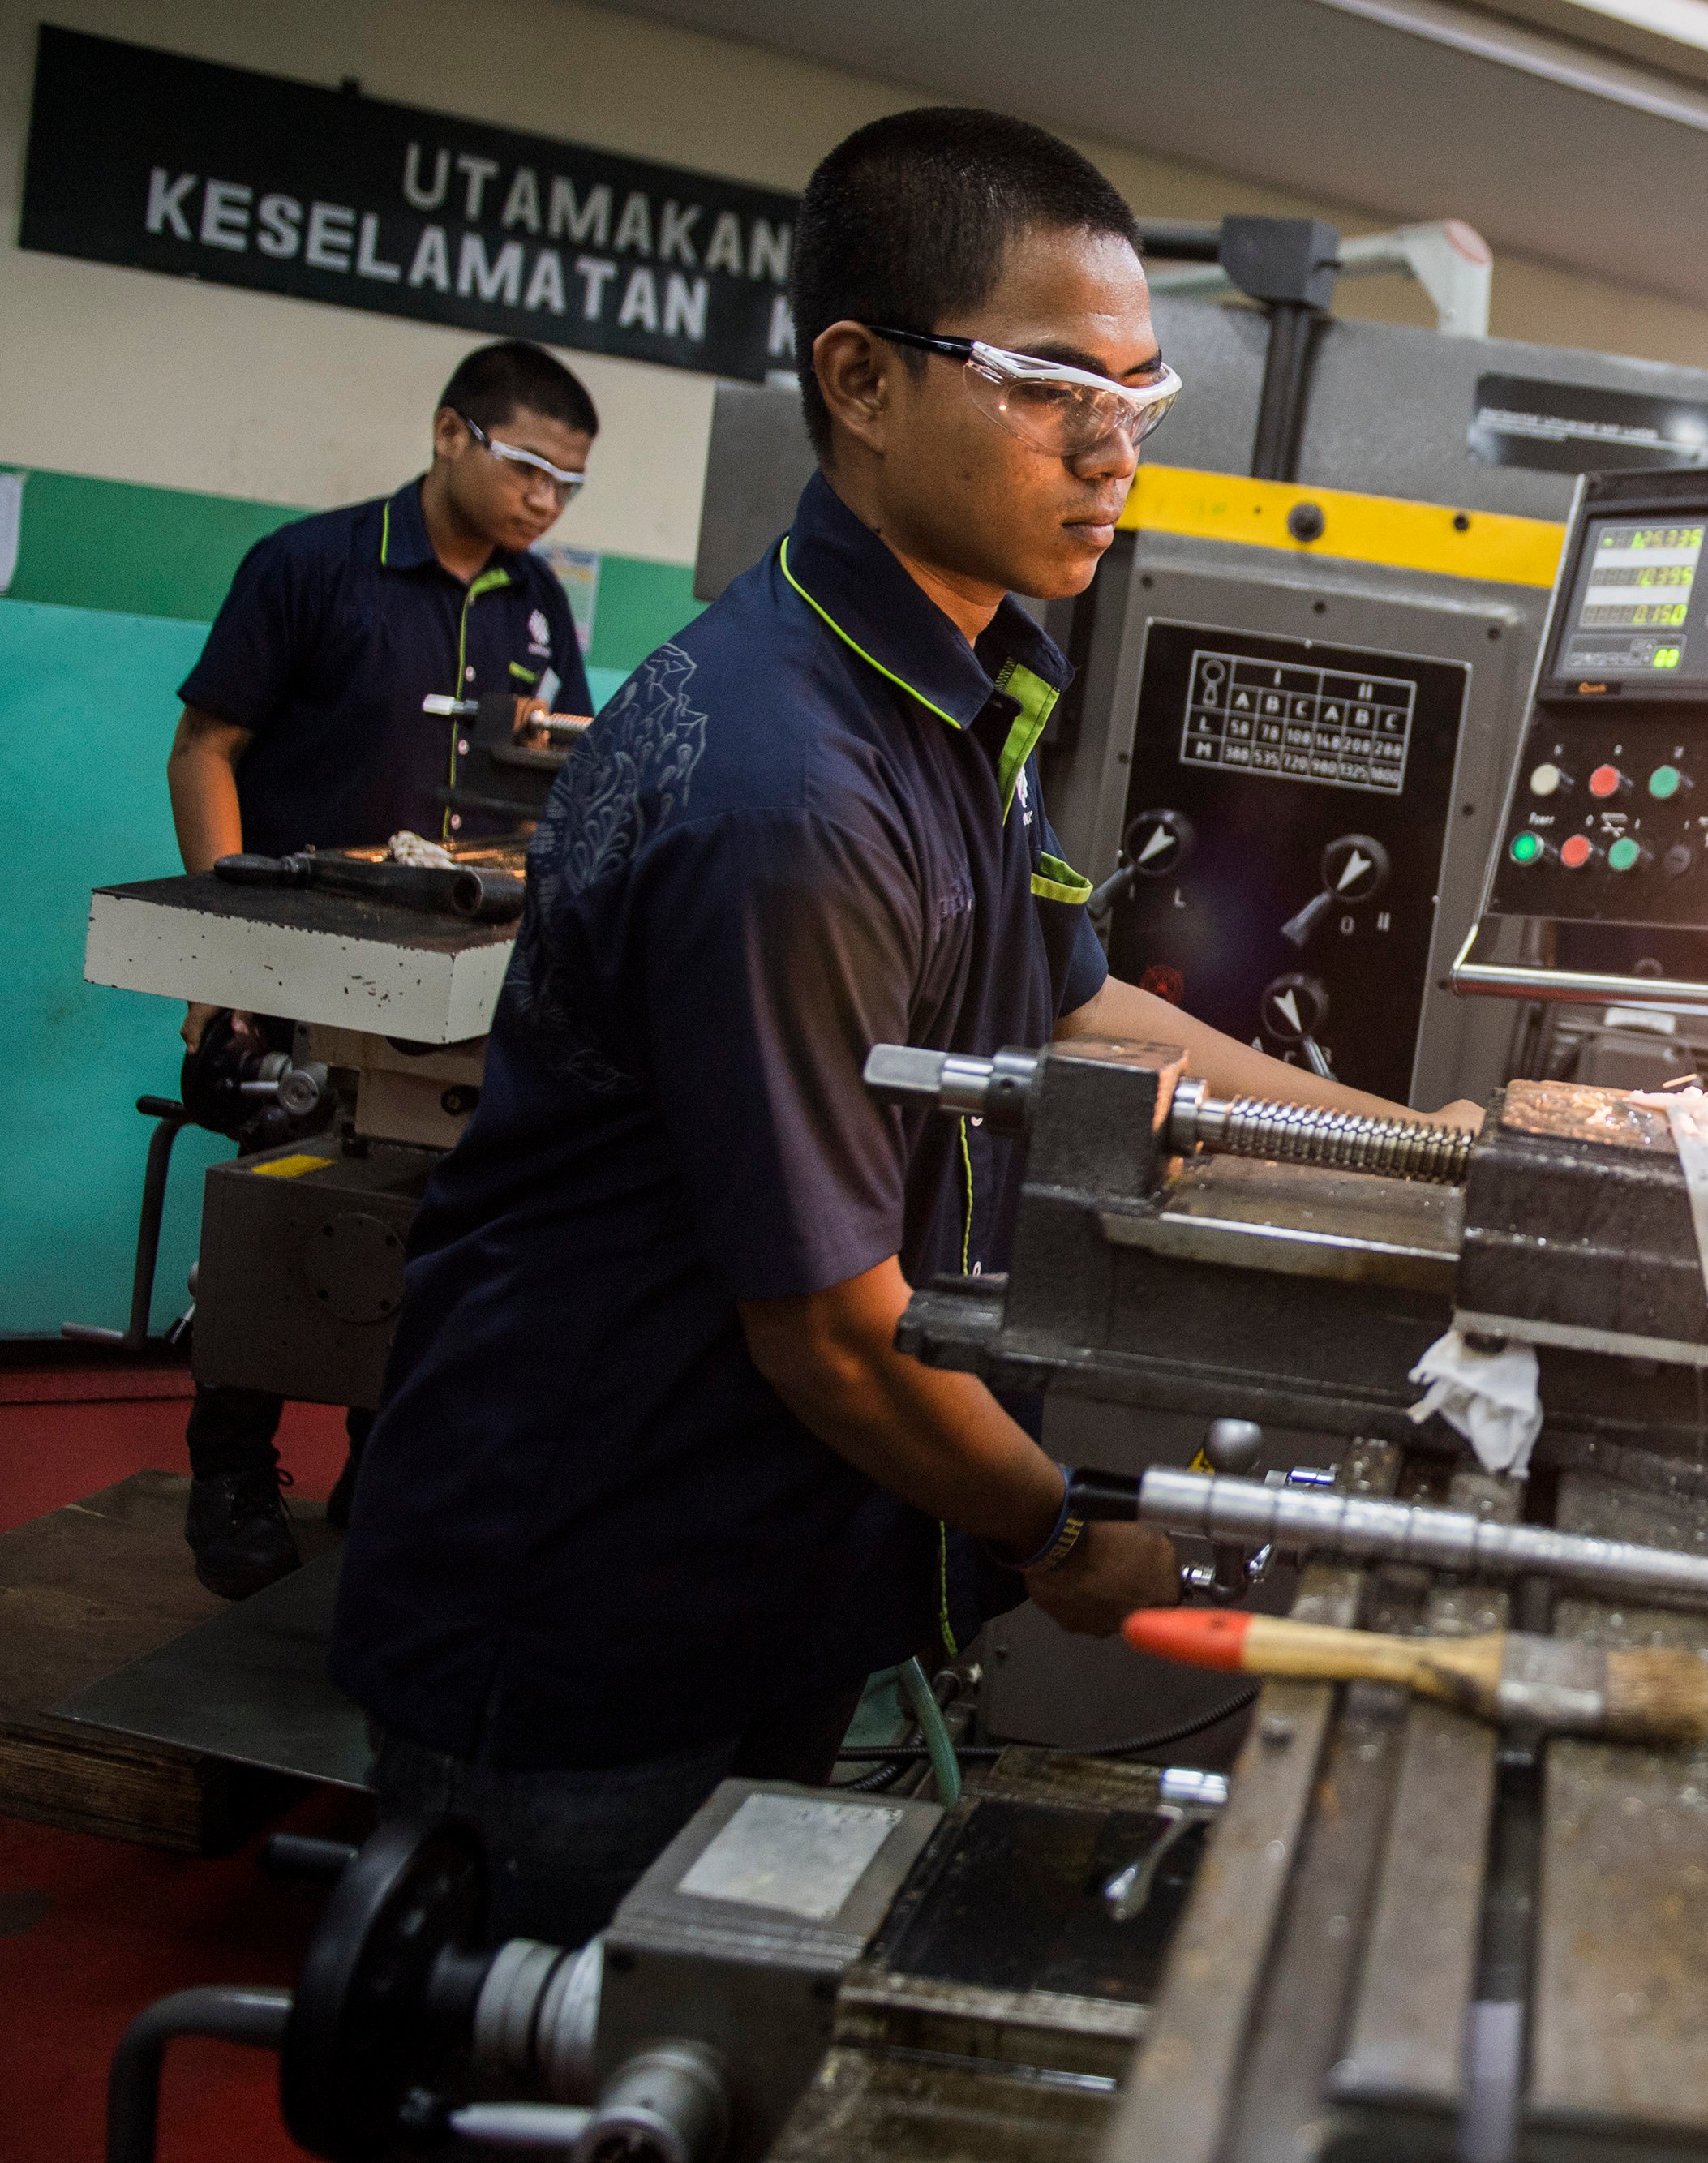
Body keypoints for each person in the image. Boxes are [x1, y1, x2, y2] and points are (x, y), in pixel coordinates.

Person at [331, 108, 1474, 1944]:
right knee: (569, 2063)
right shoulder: (789, 789)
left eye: (1139, 394)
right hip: (593, 1588)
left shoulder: (947, 695)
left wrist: (1447, 1158)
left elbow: (1079, 1001)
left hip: (768, 1566)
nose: (1113, 453)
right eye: (1048, 389)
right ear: (858, 380)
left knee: (714, 2025)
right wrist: (1055, 1534)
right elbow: (830, 1337)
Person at [162, 339, 599, 1598]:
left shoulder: (533, 602)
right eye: (526, 467)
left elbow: (552, 776)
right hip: (298, 967)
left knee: (435, 1226)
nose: (544, 502)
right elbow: (205, 749)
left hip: (459, 983)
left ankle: (386, 1462)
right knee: (271, 1220)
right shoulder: (309, 568)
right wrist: (225, 955)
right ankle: (233, 1469)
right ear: (451, 432)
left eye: (567, 485)